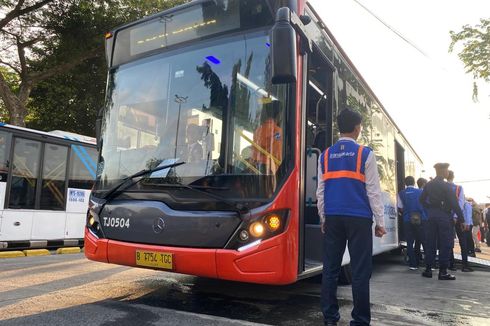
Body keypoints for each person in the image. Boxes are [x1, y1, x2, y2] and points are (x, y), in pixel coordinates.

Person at [316, 108, 386, 326]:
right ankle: (360, 321)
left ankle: (330, 319)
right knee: (360, 271)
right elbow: (373, 192)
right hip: (359, 218)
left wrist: (323, 218)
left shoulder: (325, 155)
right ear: (357, 128)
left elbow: (320, 191)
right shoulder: (366, 154)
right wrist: (380, 223)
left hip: (333, 217)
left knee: (330, 270)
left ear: (339, 127)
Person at [419, 163, 465, 280]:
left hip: (431, 216)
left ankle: (428, 269)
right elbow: (455, 204)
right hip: (444, 216)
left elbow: (422, 200)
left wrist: (430, 207)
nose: (448, 172)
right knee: (445, 243)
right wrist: (462, 219)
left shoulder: (428, 185)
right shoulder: (446, 186)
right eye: (447, 170)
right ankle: (443, 272)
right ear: (442, 171)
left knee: (430, 243)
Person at [398, 176, 427, 270]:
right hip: (420, 218)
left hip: (407, 219)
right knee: (423, 241)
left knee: (410, 242)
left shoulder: (401, 193)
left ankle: (413, 264)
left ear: (405, 183)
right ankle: (429, 264)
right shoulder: (421, 192)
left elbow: (400, 207)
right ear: (414, 182)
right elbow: (425, 204)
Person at [446, 171, 472, 272]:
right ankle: (465, 265)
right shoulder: (459, 188)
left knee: (449, 241)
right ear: (454, 177)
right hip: (458, 218)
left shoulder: (443, 187)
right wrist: (457, 216)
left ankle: (451, 265)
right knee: (463, 241)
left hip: (447, 217)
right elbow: (461, 204)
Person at [252, 101, 283, 175]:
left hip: (256, 168)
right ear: (278, 115)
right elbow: (277, 153)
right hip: (271, 170)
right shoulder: (278, 131)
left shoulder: (258, 130)